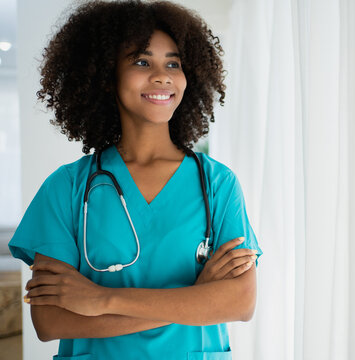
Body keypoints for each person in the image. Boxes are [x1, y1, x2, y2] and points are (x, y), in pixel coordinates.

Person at [8, 1, 262, 359]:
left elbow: (240, 302)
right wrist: (194, 298)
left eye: (173, 63)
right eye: (142, 62)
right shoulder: (66, 188)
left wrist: (101, 300)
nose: (162, 75)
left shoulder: (217, 183)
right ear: (106, 76)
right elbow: (50, 321)